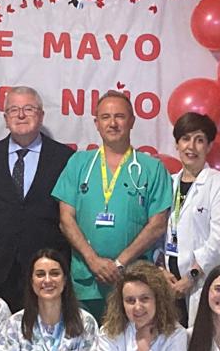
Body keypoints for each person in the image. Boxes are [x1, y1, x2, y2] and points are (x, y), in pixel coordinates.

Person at [53, 90, 170, 314]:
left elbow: (157, 225)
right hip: (87, 281)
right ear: (96, 123)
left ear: (132, 121)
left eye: (120, 116)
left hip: (134, 282)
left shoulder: (152, 168)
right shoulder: (79, 163)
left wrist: (119, 263)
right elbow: (66, 219)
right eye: (105, 117)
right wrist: (93, 260)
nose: (113, 123)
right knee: (85, 335)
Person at [0, 87, 73, 312]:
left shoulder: (64, 158)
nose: (20, 115)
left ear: (41, 115)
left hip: (48, 272)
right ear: (5, 118)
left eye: (28, 109)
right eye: (14, 110)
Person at [164, 113, 220, 324]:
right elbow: (159, 232)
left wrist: (191, 276)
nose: (191, 146)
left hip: (205, 281)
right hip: (170, 284)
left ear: (209, 146)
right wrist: (161, 271)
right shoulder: (169, 183)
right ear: (176, 144)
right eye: (185, 139)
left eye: (199, 140)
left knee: (204, 338)